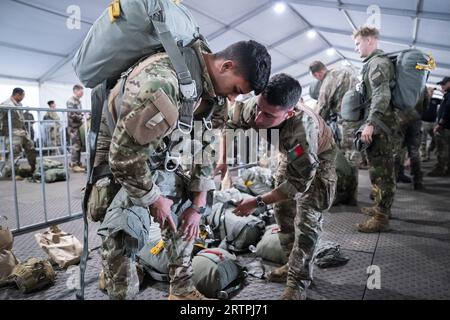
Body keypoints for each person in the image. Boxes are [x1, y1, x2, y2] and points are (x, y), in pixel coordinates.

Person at [94, 39, 271, 300]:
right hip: (121, 160)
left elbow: (205, 150)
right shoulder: (162, 82)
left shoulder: (215, 100)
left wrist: (198, 205)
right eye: (235, 89)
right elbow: (123, 157)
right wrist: (154, 199)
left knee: (187, 209)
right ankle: (117, 282)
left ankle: (181, 289)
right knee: (122, 232)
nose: (234, 98)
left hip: (154, 155)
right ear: (226, 66)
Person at [216, 73, 337, 300]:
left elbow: (298, 184)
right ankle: (291, 264)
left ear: (289, 112)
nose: (259, 119)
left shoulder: (302, 130)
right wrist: (222, 160)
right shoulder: (257, 106)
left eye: (269, 115)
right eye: (260, 109)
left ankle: (298, 282)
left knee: (306, 222)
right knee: (282, 211)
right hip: (287, 153)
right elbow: (229, 125)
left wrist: (257, 201)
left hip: (317, 161)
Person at [352, 26, 398, 233]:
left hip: (381, 126)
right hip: (380, 124)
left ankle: (382, 217)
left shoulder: (378, 63)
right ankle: (381, 207)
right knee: (377, 170)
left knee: (383, 172)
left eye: (357, 43)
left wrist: (371, 123)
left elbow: (381, 95)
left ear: (369, 40)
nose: (356, 49)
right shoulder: (373, 63)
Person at [310, 60, 359, 204]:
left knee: (342, 159)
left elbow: (322, 107)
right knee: (353, 158)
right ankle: (352, 196)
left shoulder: (330, 79)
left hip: (347, 123)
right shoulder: (347, 72)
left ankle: (342, 194)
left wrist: (312, 127)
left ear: (318, 73)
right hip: (359, 120)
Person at [0, 88, 36, 180]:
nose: (23, 97)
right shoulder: (6, 104)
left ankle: (33, 168)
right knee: (15, 153)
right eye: (23, 95)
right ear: (17, 95)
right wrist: (2, 132)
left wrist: (25, 130)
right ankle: (11, 174)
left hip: (22, 131)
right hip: (12, 132)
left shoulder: (19, 104)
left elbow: (21, 120)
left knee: (31, 148)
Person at [429, 77, 450, 176]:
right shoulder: (447, 95)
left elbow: (447, 110)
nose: (442, 86)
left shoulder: (449, 95)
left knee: (442, 149)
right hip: (446, 127)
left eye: (444, 84)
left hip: (445, 127)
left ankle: (440, 169)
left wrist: (440, 124)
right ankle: (446, 169)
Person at [66, 84, 85, 172]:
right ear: (75, 91)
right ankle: (74, 164)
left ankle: (78, 163)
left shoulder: (78, 101)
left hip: (78, 126)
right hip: (73, 126)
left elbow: (78, 113)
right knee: (75, 146)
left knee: (79, 145)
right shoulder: (71, 101)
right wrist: (82, 117)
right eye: (81, 91)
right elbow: (71, 114)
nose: (82, 93)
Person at [420, 87, 439, 162]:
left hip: (433, 123)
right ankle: (423, 156)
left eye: (432, 91)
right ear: (426, 92)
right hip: (424, 123)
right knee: (423, 140)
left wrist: (442, 91)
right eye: (430, 91)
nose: (432, 92)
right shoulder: (422, 100)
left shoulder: (435, 100)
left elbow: (445, 100)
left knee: (435, 139)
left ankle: (429, 149)